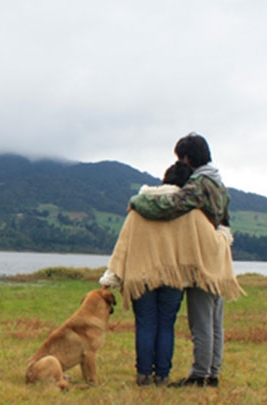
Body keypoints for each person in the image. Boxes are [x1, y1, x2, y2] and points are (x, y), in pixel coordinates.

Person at [99, 160, 232, 386]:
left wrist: (111, 277)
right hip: (174, 278)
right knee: (166, 324)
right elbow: (212, 241)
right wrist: (226, 233)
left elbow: (123, 245)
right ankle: (162, 376)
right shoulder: (190, 212)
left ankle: (143, 375)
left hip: (141, 277)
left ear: (163, 181)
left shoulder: (139, 208)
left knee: (145, 324)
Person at [128, 132, 242, 388]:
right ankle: (212, 372)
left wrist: (140, 200)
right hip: (220, 259)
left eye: (181, 158)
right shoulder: (219, 184)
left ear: (188, 158)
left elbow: (173, 205)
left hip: (202, 259)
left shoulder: (199, 183)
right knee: (215, 321)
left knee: (200, 321)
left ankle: (200, 375)